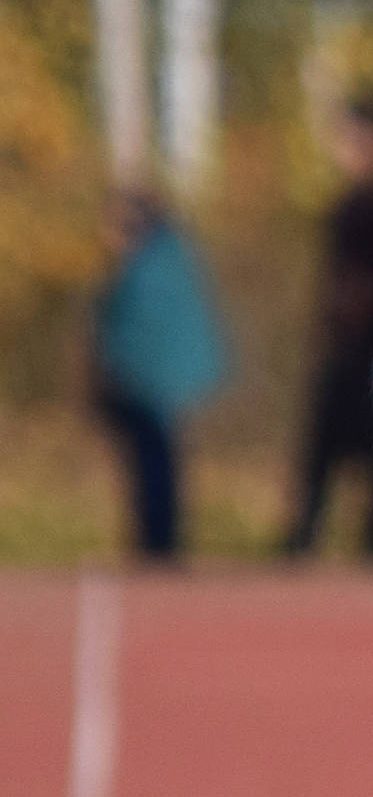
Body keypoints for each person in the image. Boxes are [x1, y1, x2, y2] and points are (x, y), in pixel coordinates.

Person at [288, 100, 373, 554]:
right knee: (319, 457)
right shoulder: (344, 208)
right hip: (344, 350)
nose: (342, 151)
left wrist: (363, 306)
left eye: (352, 140)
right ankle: (301, 543)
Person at [92, 186, 230, 558]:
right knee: (157, 466)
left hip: (155, 388)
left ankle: (159, 545)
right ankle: (158, 542)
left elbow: (137, 332)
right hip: (158, 385)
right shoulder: (164, 257)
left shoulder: (151, 266)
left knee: (157, 467)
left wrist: (115, 377)